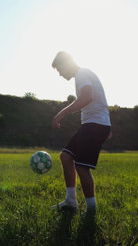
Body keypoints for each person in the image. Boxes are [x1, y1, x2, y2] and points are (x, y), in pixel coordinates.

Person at [50, 51, 111, 216]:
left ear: (66, 63)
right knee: (66, 156)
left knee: (82, 167)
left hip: (94, 125)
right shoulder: (82, 75)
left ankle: (91, 210)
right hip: (93, 124)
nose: (61, 74)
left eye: (59, 70)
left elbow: (87, 97)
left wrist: (60, 114)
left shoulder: (82, 74)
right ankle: (71, 201)